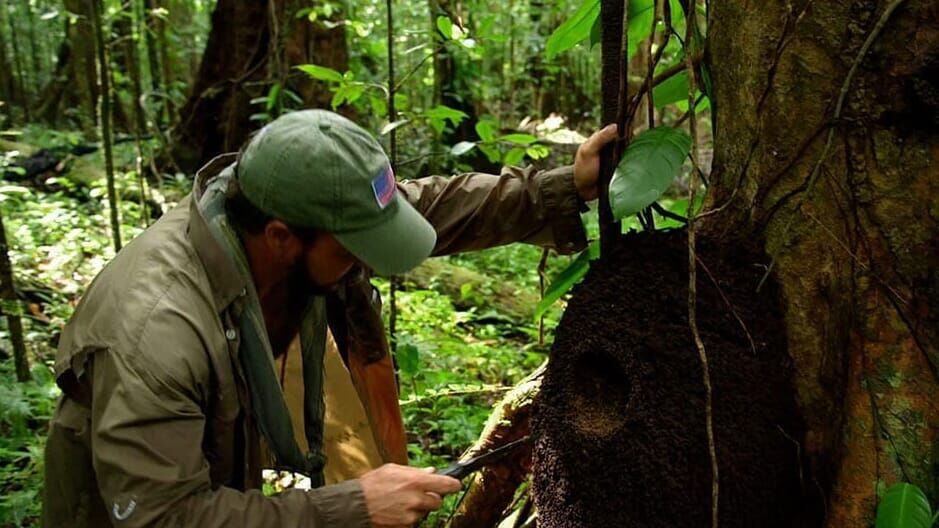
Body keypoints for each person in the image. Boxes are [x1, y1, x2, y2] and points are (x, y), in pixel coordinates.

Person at [42, 109, 618, 528]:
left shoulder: (277, 218)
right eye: (351, 249)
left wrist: (565, 188)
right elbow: (163, 516)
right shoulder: (156, 335)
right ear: (280, 238)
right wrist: (354, 505)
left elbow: (427, 206)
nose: (364, 262)